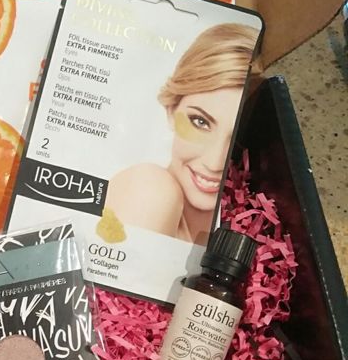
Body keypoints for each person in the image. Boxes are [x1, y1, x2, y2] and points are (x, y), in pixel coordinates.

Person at [104, 23, 259, 245]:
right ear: (171, 109)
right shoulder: (150, 188)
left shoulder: (238, 228)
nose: (215, 163)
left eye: (235, 137)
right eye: (200, 122)